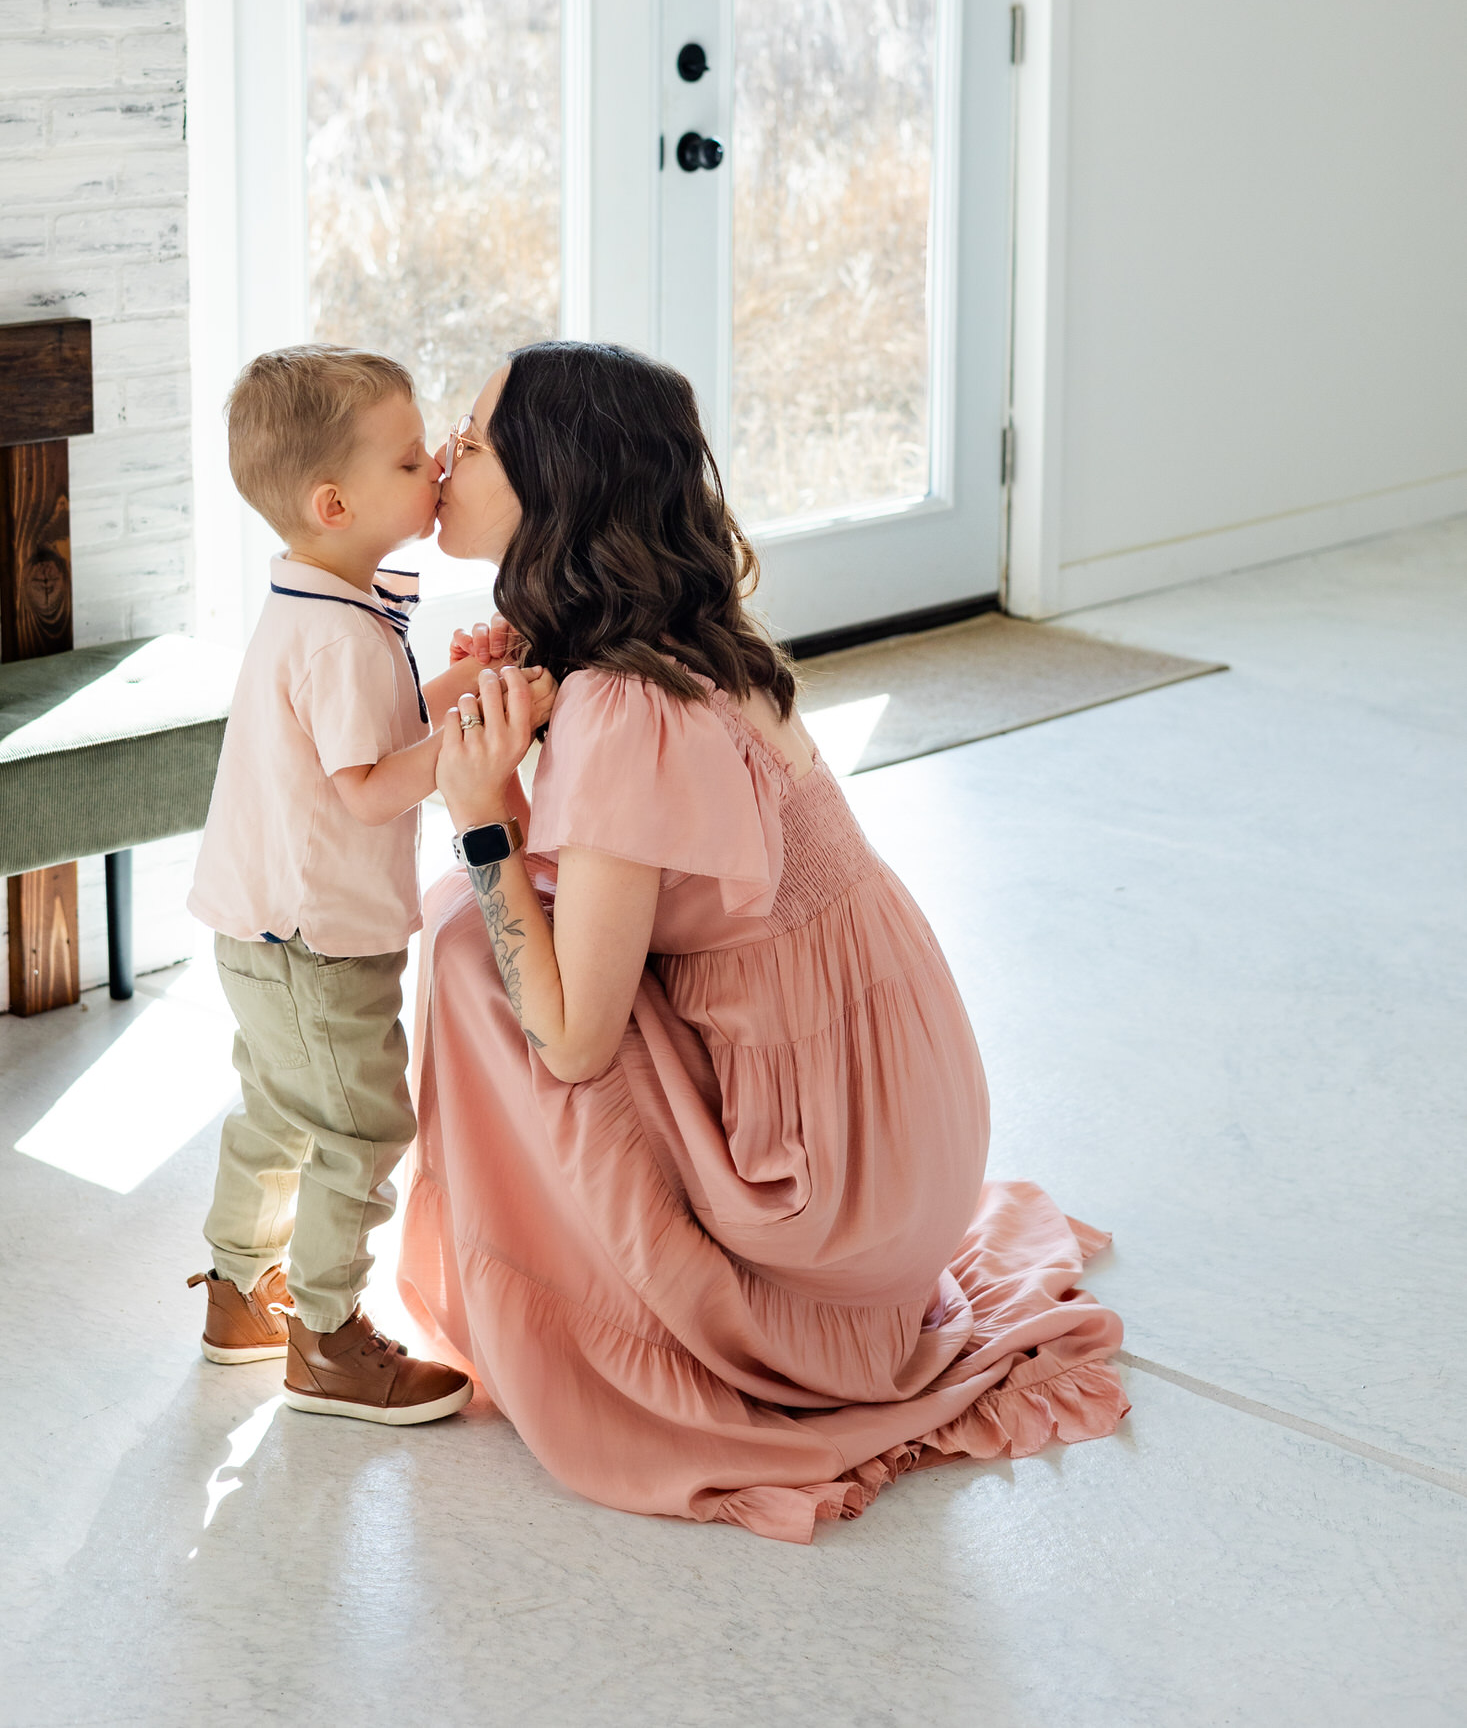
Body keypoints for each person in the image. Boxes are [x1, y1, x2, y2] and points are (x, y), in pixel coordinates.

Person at [399, 339, 1129, 1539]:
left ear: (556, 485)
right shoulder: (681, 644)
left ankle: (594, 1320)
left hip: (828, 1206)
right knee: (503, 917)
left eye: (472, 439)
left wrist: (482, 821)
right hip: (899, 1139)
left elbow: (577, 1041)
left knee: (471, 942)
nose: (443, 457)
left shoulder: (621, 707)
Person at [185, 344, 550, 1424]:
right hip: (315, 937)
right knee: (358, 1127)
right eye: (409, 458)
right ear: (335, 500)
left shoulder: (321, 606)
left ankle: (239, 1292)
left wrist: (459, 677)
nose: (437, 460)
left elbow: (374, 727)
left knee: (279, 1111)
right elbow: (368, 790)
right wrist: (478, 731)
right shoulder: (340, 634)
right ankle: (328, 1338)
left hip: (258, 925)